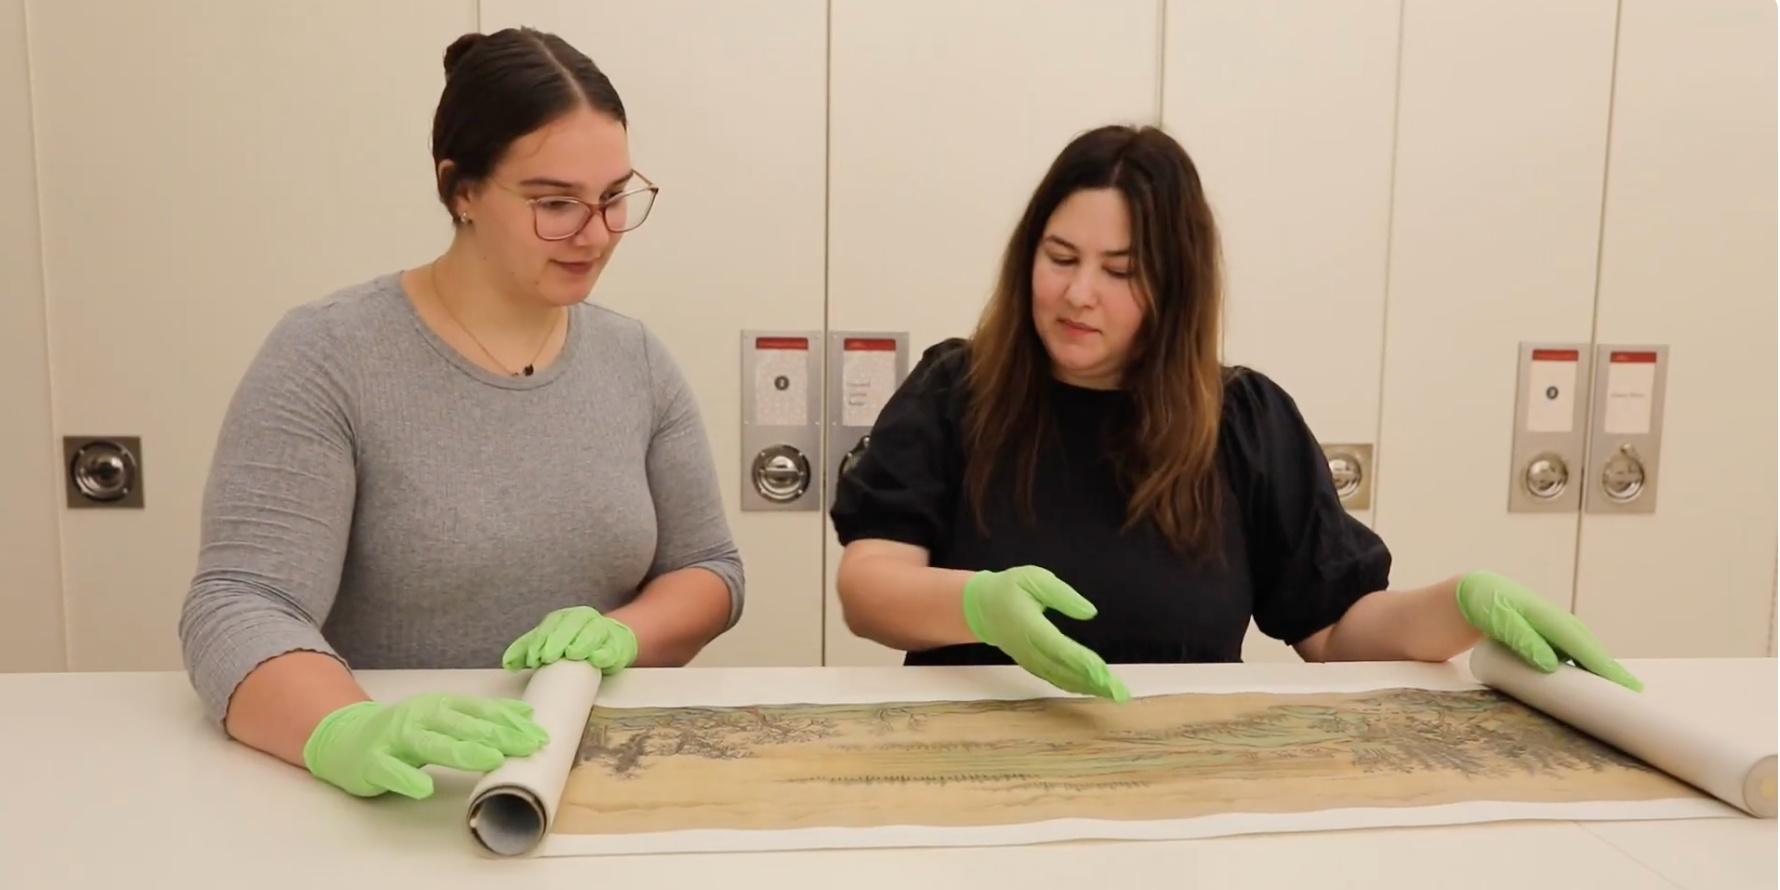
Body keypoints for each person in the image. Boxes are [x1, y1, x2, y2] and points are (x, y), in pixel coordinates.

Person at [828, 124, 1638, 703]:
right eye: (1061, 258)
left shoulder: (1244, 422)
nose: (1079, 294)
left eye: (1122, 271)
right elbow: (869, 590)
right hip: (970, 765)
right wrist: (976, 605)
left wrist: (1459, 602)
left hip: (1183, 775)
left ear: (1177, 286)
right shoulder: (957, 391)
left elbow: (1335, 631)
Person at [178, 28, 743, 800]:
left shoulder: (636, 361)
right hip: (397, 786)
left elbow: (708, 570)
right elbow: (241, 601)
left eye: (614, 198)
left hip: (590, 774)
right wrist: (347, 730)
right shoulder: (329, 353)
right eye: (554, 204)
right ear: (461, 190)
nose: (596, 234)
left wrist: (625, 634)